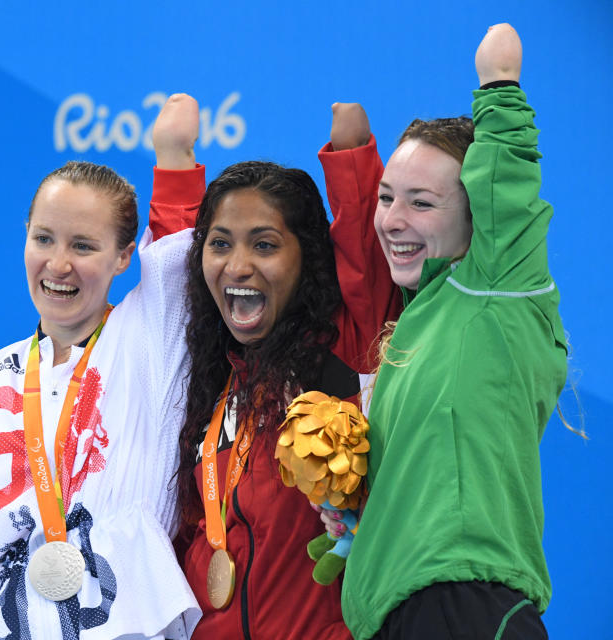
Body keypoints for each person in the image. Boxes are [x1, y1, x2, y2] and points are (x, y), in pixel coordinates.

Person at [0, 95, 206, 640]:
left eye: (83, 245)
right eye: (44, 239)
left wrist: (173, 156)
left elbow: (179, 259)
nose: (58, 265)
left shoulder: (143, 341)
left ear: (123, 256)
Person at [337, 24, 565, 640]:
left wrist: (499, 86)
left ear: (476, 217)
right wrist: (363, 513)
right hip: (402, 612)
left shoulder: (497, 290)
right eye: (387, 198)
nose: (392, 220)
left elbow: (507, 188)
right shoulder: (422, 318)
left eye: (422, 202)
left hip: (465, 605)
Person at [155, 101, 401, 638]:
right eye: (221, 244)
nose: (237, 265)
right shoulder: (206, 372)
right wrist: (173, 161)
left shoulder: (344, 347)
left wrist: (352, 155)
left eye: (264, 245)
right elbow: (172, 268)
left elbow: (364, 248)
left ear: (307, 257)